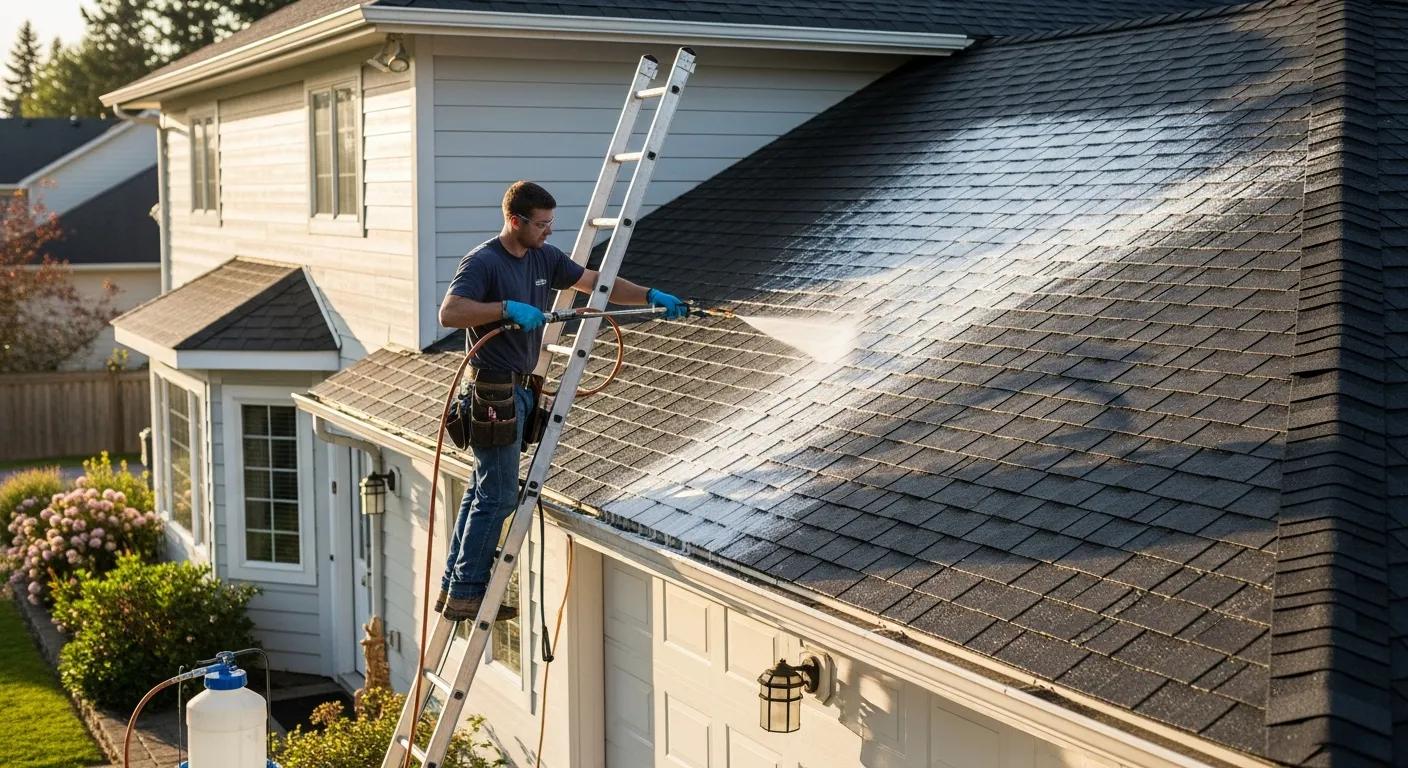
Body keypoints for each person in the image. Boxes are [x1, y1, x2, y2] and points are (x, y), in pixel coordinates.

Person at [435, 180, 688, 621]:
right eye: (542, 224)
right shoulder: (483, 262)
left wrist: (649, 296)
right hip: (491, 390)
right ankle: (467, 593)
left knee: (483, 490)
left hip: (518, 388)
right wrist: (506, 308)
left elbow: (594, 283)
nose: (550, 232)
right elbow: (451, 312)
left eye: (553, 223)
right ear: (515, 220)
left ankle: (455, 586)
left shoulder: (543, 257)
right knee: (497, 497)